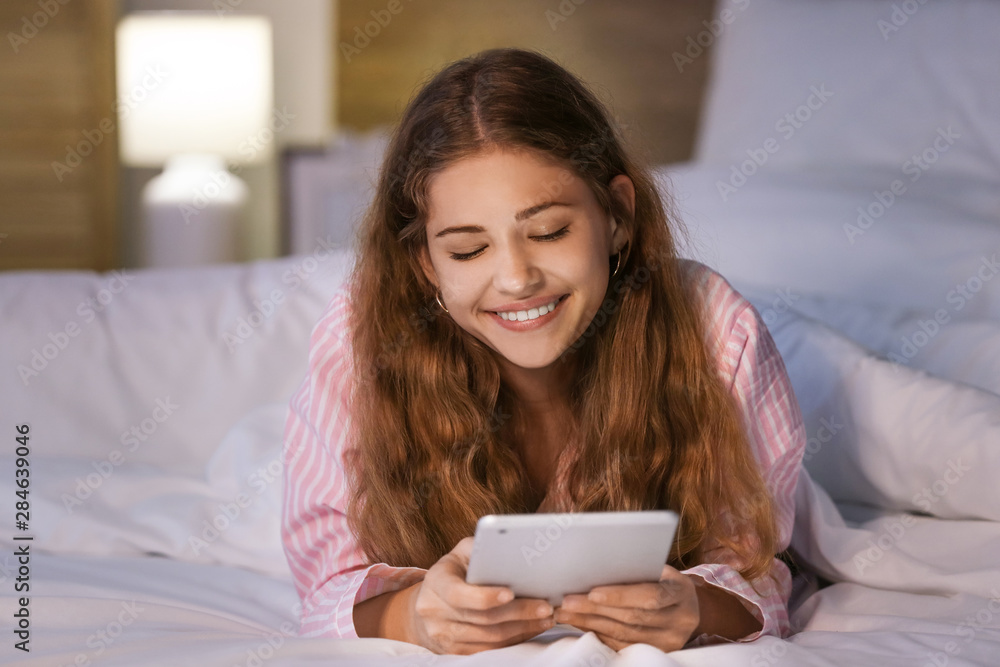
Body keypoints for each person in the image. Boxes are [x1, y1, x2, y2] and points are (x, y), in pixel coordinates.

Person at [281, 47, 806, 655]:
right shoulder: (360, 340)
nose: (516, 279)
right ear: (426, 263)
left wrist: (692, 610)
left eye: (549, 232)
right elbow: (324, 597)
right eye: (467, 250)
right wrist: (416, 617)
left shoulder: (715, 330)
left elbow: (760, 573)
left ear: (616, 215)